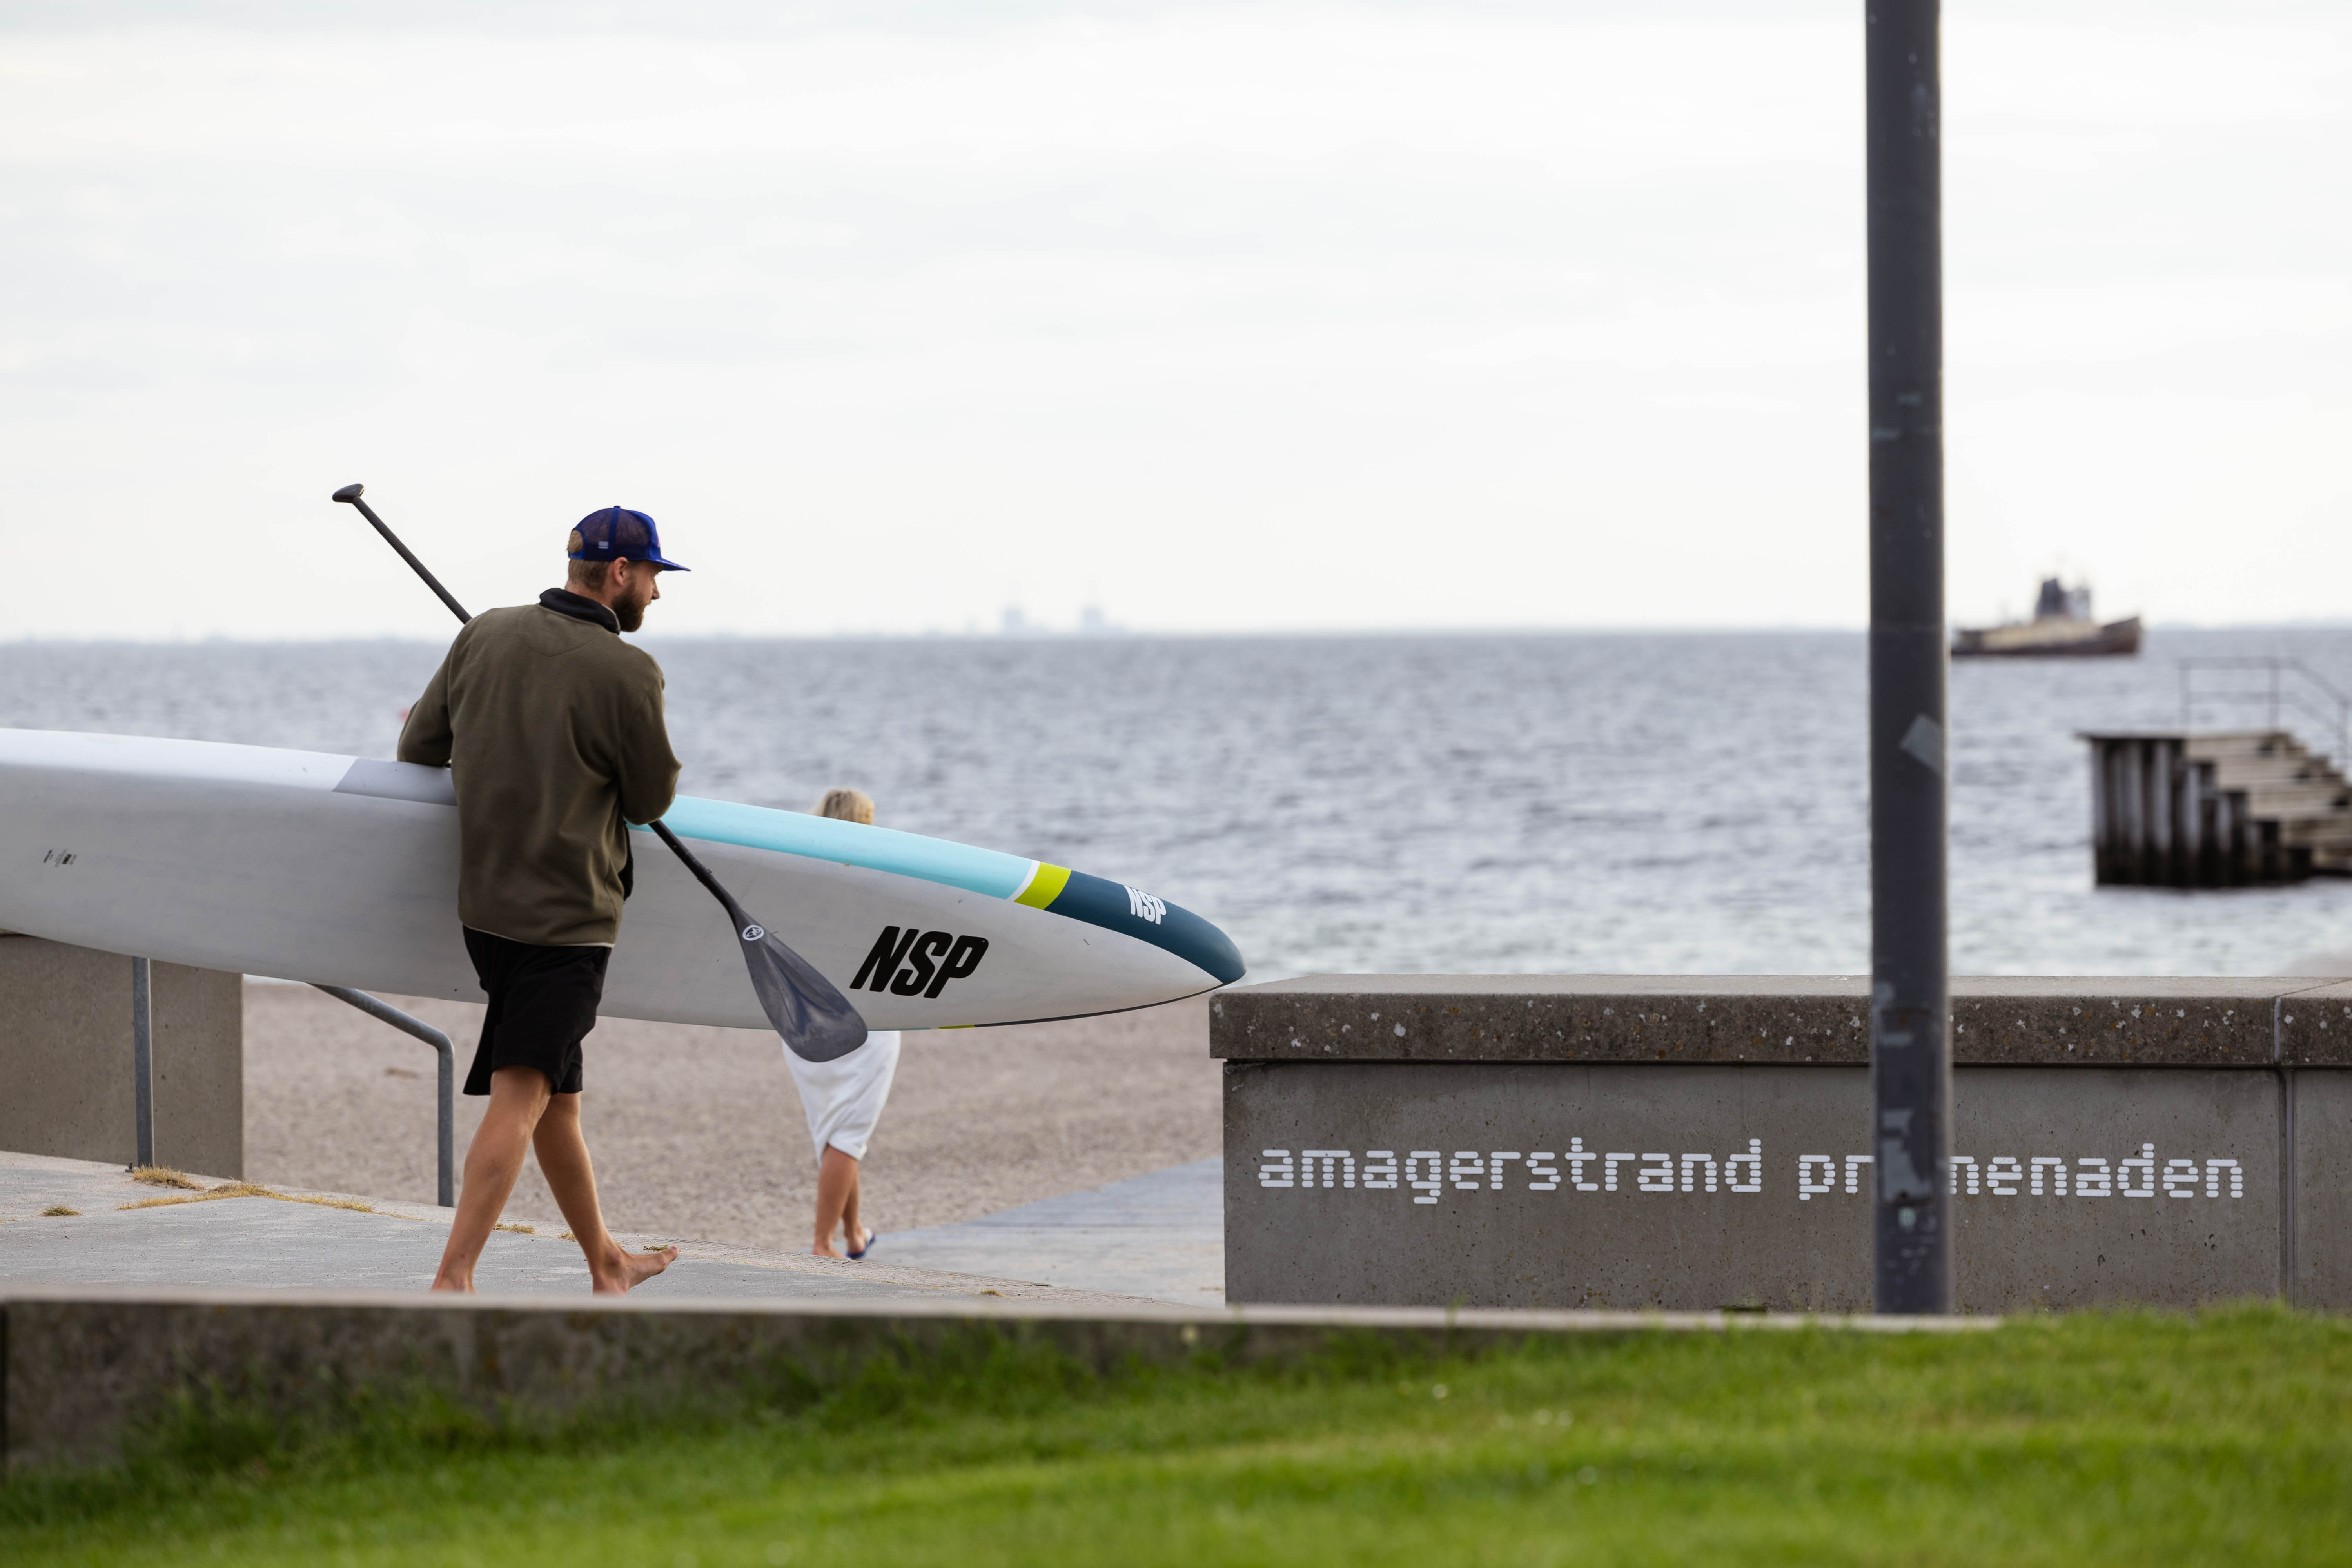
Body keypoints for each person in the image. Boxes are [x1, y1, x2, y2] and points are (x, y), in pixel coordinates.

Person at [398, 505, 689, 1294]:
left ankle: (608, 1262)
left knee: (558, 1098)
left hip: (485, 913)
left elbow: (418, 747)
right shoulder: (630, 672)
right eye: (655, 577)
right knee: (522, 1099)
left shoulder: (484, 633)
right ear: (621, 574)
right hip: (566, 924)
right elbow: (650, 799)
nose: (657, 596)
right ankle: (453, 1278)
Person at [787, 786, 902, 1259]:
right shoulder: (876, 880)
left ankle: (854, 1232)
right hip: (864, 1023)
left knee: (835, 1131)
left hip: (802, 1020)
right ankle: (822, 1244)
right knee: (847, 1135)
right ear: (864, 823)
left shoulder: (798, 878)